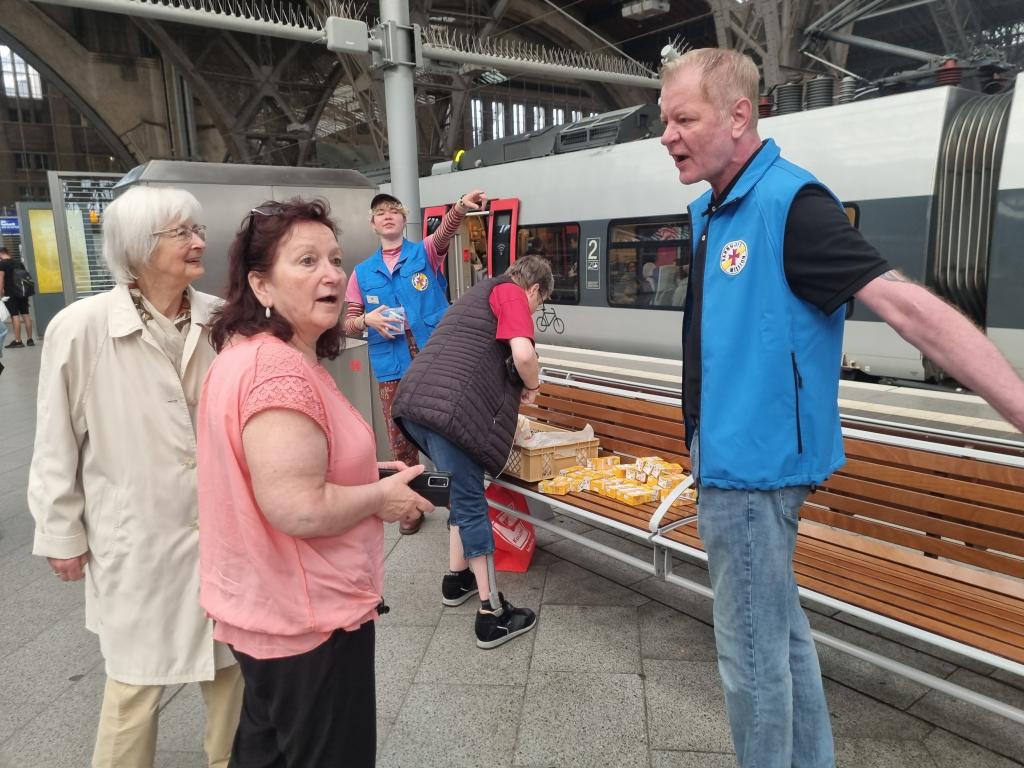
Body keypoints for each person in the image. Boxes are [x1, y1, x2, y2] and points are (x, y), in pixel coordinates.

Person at [659, 47, 1024, 768]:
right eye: (662, 119)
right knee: (782, 640)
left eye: (683, 118)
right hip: (731, 461)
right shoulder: (714, 209)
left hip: (753, 475)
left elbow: (906, 307)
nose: (666, 134)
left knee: (752, 662)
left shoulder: (789, 205)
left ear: (739, 116)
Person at [197, 198, 434, 766]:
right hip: (309, 621)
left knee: (268, 749)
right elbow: (298, 507)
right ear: (262, 285)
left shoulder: (248, 355)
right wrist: (382, 497)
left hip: (267, 610)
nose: (330, 273)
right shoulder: (279, 372)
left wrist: (369, 473)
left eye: (333, 258)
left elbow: (285, 470)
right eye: (305, 262)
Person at [27, 186, 243, 768]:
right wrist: (61, 535)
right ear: (137, 246)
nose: (199, 241)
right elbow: (55, 443)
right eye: (181, 233)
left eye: (197, 230)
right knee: (134, 684)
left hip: (223, 533)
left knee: (231, 675)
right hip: (136, 537)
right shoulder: (82, 328)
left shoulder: (222, 319)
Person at [391, 255, 553, 649]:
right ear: (534, 290)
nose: (535, 309)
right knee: (471, 502)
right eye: (540, 303)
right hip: (450, 414)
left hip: (417, 405)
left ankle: (456, 578)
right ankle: (492, 613)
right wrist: (533, 383)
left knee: (459, 495)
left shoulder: (474, 294)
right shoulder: (512, 293)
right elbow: (524, 355)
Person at [343, 189, 487, 534]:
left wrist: (461, 208)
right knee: (399, 439)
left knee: (444, 429)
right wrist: (367, 321)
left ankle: (459, 499)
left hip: (433, 360)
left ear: (403, 219)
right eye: (380, 213)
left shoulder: (424, 253)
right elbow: (348, 322)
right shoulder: (362, 273)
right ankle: (410, 505)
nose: (388, 215)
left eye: (394, 210)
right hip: (390, 366)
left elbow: (445, 233)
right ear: (373, 224)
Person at [0, 245, 34, 347]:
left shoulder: (2, 264)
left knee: (15, 316)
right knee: (26, 314)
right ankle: (30, 339)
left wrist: (0, 294)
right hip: (23, 292)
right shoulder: (18, 263)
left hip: (11, 294)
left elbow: (1, 280)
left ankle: (18, 341)